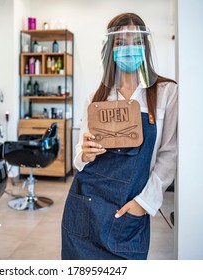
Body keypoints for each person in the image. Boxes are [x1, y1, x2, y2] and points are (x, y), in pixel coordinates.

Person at [61, 12, 178, 260]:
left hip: (129, 213)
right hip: (85, 208)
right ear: (110, 49)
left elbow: (169, 153)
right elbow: (78, 159)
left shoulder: (166, 92)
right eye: (120, 43)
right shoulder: (96, 97)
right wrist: (86, 153)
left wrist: (144, 204)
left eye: (135, 42)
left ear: (145, 47)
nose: (129, 49)